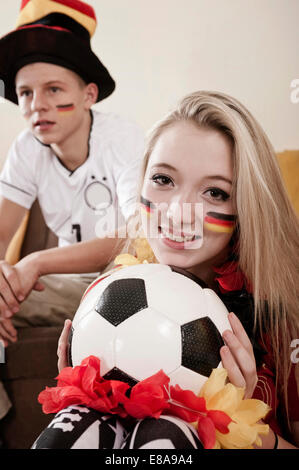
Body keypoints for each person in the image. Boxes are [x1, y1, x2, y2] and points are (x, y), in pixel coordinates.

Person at [31, 91, 299, 449]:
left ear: (247, 204)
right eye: (163, 180)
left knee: (166, 436)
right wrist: (82, 389)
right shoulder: (116, 290)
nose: (178, 212)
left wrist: (230, 423)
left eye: (215, 193)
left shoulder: (285, 316)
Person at [0, 0, 144, 420]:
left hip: (123, 277)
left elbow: (136, 237)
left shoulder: (123, 139)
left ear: (88, 95)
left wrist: (36, 262)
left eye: (54, 90)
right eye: (25, 93)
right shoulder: (27, 148)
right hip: (65, 285)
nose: (35, 106)